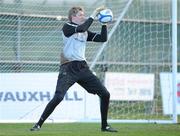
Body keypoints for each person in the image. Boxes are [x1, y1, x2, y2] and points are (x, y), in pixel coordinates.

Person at [30, 6, 117, 132]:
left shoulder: (85, 32)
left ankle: (105, 126)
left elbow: (103, 39)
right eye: (81, 15)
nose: (83, 17)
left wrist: (103, 24)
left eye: (84, 15)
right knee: (59, 97)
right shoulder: (67, 26)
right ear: (73, 16)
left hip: (82, 68)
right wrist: (93, 15)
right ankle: (38, 124)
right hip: (68, 68)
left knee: (105, 94)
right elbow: (81, 28)